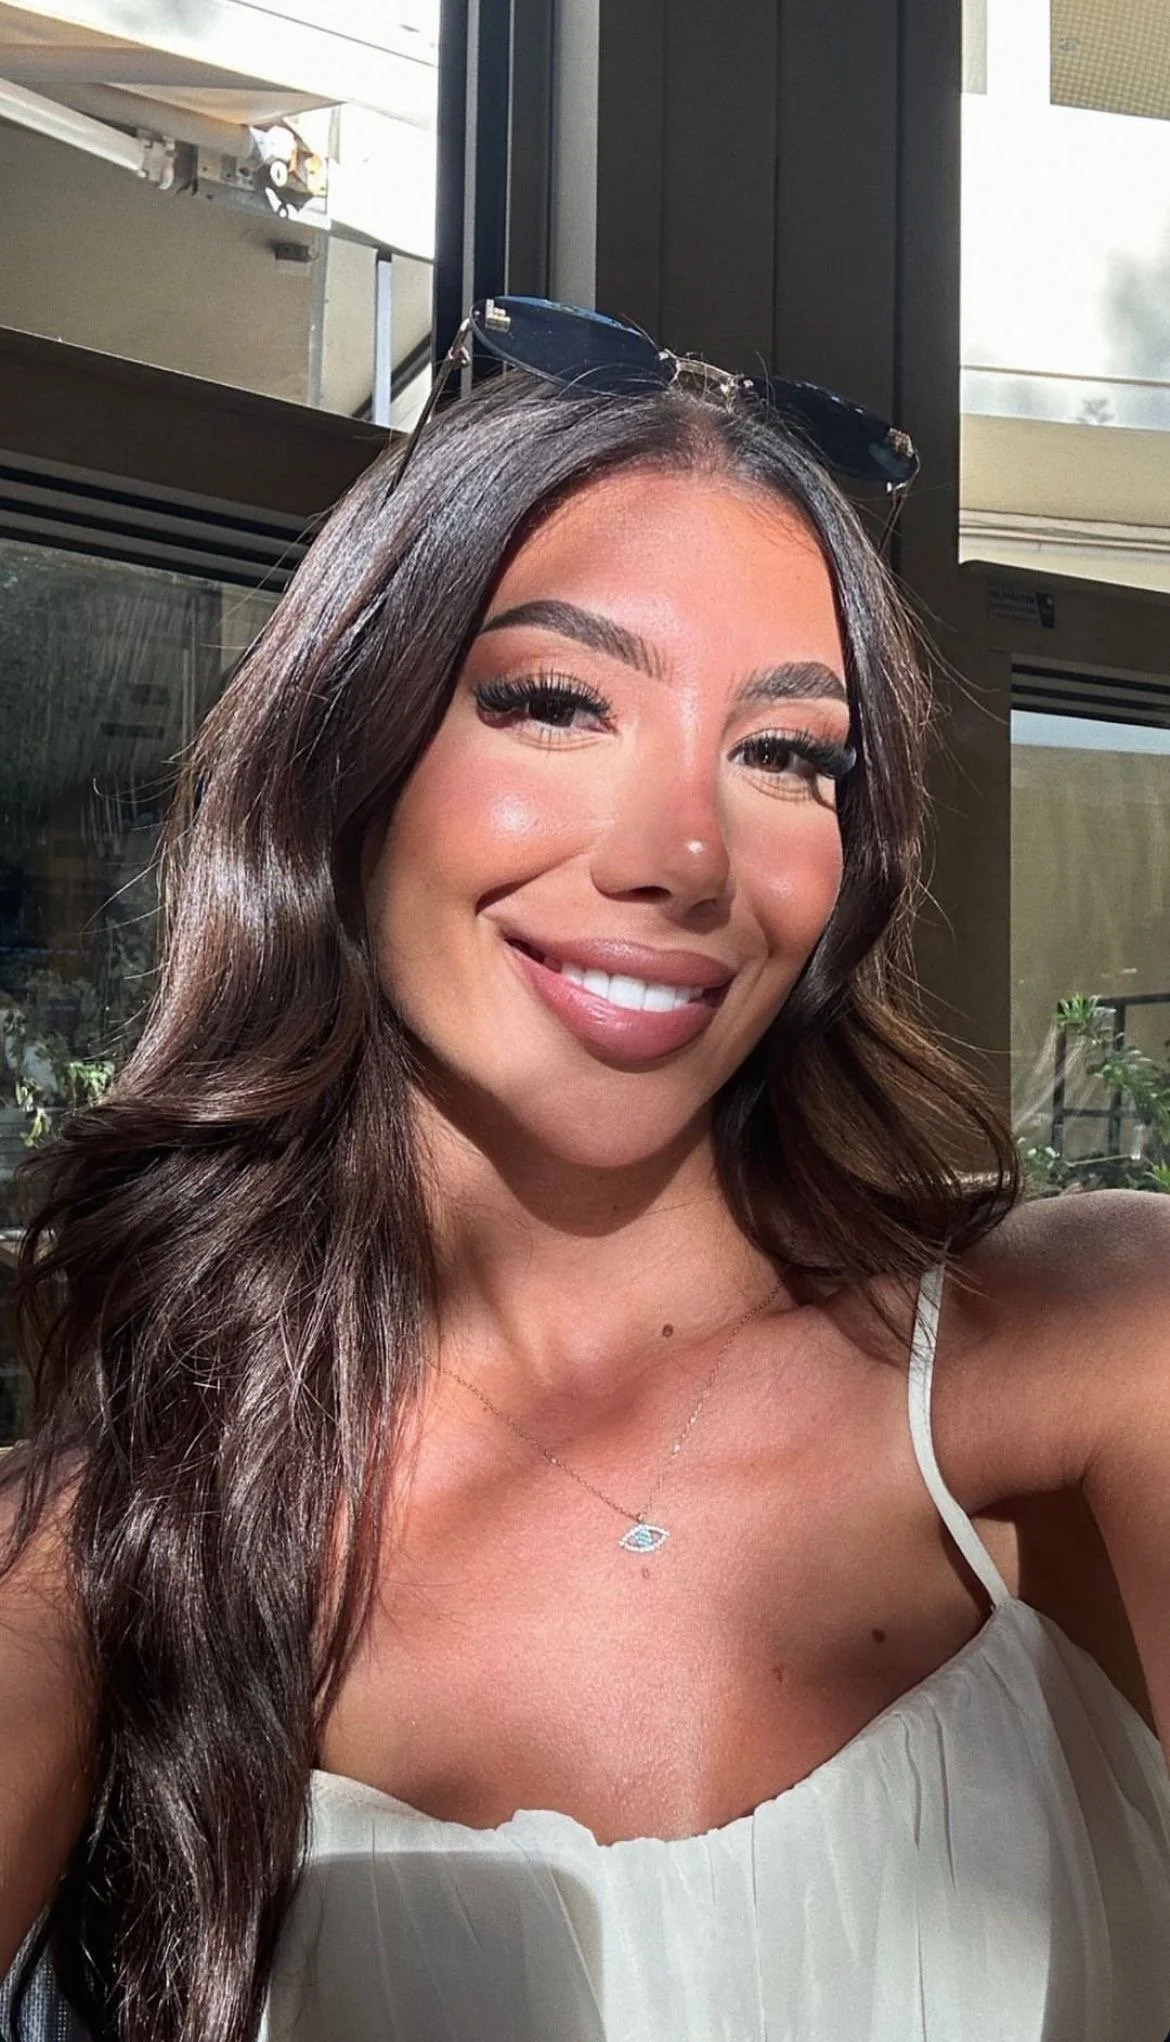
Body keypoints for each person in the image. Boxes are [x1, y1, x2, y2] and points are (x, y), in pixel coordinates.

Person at [1, 317, 1169, 2042]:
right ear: (346, 758)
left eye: (787, 753)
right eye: (556, 703)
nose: (687, 854)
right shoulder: (104, 1543)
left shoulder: (1095, 1342)